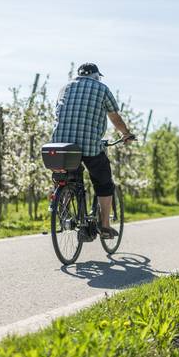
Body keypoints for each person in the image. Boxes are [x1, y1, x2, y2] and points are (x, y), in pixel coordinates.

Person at [52, 63, 135, 239]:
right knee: (104, 182)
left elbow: (58, 114)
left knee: (69, 177)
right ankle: (105, 226)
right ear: (97, 76)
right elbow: (114, 117)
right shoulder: (102, 89)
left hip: (61, 146)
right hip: (88, 144)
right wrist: (126, 134)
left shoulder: (64, 88)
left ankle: (65, 209)